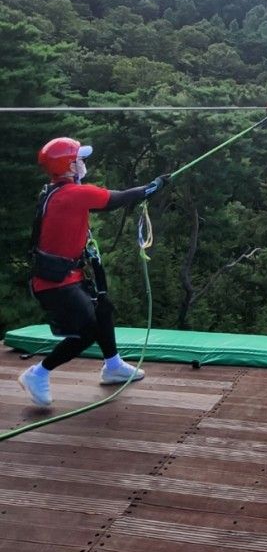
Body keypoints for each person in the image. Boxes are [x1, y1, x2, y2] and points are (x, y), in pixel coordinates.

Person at [18, 136, 169, 408]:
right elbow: (116, 199)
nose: (83, 163)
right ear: (68, 166)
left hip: (65, 276)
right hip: (56, 283)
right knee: (85, 333)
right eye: (79, 159)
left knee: (103, 309)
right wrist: (153, 187)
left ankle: (112, 365)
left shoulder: (55, 191)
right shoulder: (73, 194)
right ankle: (38, 374)